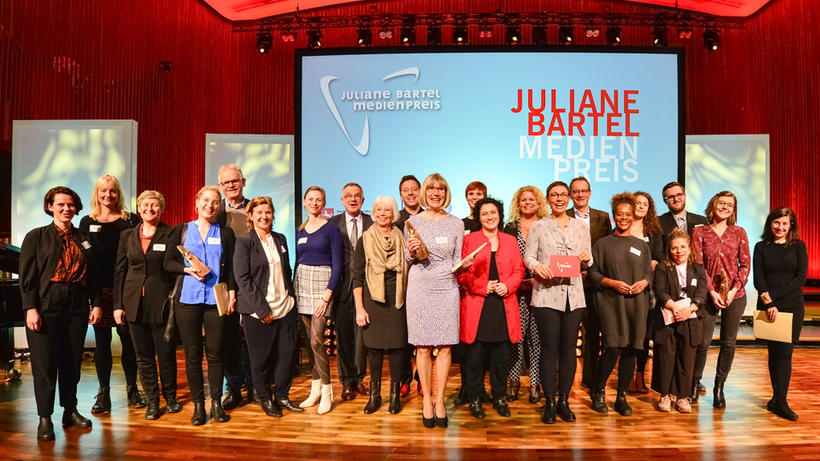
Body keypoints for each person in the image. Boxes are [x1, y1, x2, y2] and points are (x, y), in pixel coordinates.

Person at [20, 186, 100, 441]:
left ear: (76, 208)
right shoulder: (36, 236)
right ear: (50, 207)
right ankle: (45, 418)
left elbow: (93, 275)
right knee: (44, 364)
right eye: (61, 204)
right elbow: (27, 277)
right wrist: (30, 308)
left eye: (71, 205)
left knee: (71, 362)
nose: (67, 209)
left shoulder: (84, 237)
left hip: (76, 304)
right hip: (46, 303)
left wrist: (96, 303)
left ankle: (70, 410)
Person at [164, 185, 237, 425]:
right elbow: (167, 262)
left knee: (216, 353)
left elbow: (232, 267)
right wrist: (187, 269)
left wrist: (233, 292)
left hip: (217, 299)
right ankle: (198, 406)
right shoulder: (181, 230)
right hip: (188, 300)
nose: (210, 205)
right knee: (193, 355)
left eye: (215, 202)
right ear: (196, 202)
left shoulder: (225, 233)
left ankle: (216, 403)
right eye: (206, 200)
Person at [524, 182, 591, 423]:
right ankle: (550, 401)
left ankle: (564, 400)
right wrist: (536, 266)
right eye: (555, 195)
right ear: (548, 199)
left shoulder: (581, 226)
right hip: (546, 296)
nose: (560, 198)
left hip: (574, 297)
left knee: (568, 352)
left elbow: (588, 258)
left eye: (564, 194)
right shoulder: (539, 226)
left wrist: (586, 258)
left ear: (571, 198)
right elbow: (529, 256)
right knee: (549, 350)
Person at [79, 174, 145, 413]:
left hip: (127, 290)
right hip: (99, 291)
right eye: (103, 191)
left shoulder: (131, 220)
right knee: (102, 344)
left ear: (119, 194)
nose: (108, 195)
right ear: (97, 194)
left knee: (129, 343)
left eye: (113, 191)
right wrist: (94, 299)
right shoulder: (87, 222)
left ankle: (132, 390)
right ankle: (103, 393)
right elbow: (88, 263)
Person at [113, 190, 180, 420]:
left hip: (160, 302)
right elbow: (120, 271)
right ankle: (152, 401)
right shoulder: (127, 235)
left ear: (161, 209)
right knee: (143, 357)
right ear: (139, 208)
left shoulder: (170, 233)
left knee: (166, 354)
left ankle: (170, 397)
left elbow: (172, 268)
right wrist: (117, 305)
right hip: (133, 303)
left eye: (155, 206)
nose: (150, 209)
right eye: (145, 205)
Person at [233, 196, 303, 418]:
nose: (264, 216)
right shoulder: (245, 242)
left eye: (268, 212)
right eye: (259, 212)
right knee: (260, 359)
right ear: (251, 216)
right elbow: (243, 279)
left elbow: (287, 270)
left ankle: (282, 396)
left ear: (273, 215)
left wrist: (291, 298)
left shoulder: (281, 239)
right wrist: (262, 309)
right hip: (259, 311)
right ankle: (265, 398)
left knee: (286, 355)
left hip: (285, 307)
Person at [405, 173, 464, 428]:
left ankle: (440, 400)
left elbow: (457, 261)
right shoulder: (412, 221)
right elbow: (409, 261)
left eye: (440, 189)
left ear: (446, 193)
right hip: (420, 288)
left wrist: (464, 265)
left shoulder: (456, 223)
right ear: (424, 193)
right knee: (423, 347)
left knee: (446, 347)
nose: (436, 193)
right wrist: (409, 252)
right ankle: (426, 400)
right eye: (431, 189)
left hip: (447, 288)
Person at [458, 197, 524, 419]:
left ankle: (500, 397)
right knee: (475, 358)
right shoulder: (470, 240)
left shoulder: (510, 240)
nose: (489, 217)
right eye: (484, 213)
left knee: (500, 358)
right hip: (478, 305)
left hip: (503, 306)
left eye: (493, 212)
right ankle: (475, 399)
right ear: (478, 217)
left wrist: (509, 285)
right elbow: (462, 274)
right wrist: (482, 286)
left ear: (500, 214)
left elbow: (519, 270)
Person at [588, 192, 652, 417]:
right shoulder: (602, 244)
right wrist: (612, 283)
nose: (624, 218)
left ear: (633, 216)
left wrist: (644, 282)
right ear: (614, 217)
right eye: (619, 214)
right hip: (610, 303)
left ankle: (622, 395)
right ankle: (598, 391)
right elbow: (593, 274)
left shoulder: (641, 245)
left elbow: (648, 273)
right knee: (613, 347)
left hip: (636, 303)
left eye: (628, 214)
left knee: (631, 349)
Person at [691, 191, 751, 409]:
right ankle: (694, 384)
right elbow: (698, 265)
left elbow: (745, 265)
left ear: (734, 210)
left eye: (730, 205)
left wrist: (734, 290)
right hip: (708, 295)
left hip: (735, 295)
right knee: (703, 342)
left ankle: (719, 387)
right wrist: (711, 292)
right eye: (722, 203)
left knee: (728, 343)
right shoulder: (700, 232)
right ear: (713, 204)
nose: (725, 207)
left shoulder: (739, 232)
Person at [353, 196, 409, 415]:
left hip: (398, 299)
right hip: (373, 300)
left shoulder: (403, 236)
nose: (383, 214)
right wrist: (359, 307)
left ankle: (394, 396)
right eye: (378, 210)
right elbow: (357, 276)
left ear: (394, 213)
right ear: (373, 213)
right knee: (374, 349)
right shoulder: (364, 239)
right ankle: (375, 396)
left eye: (388, 210)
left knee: (397, 347)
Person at [753, 207, 807, 421]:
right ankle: (776, 399)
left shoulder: (798, 246)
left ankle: (781, 400)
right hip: (768, 307)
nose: (780, 227)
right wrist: (768, 302)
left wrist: (773, 297)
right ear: (770, 224)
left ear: (791, 225)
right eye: (777, 223)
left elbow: (800, 278)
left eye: (785, 224)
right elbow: (758, 278)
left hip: (792, 306)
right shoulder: (760, 247)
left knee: (785, 353)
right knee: (774, 352)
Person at [294, 186, 343, 415]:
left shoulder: (331, 229)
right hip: (302, 284)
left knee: (316, 341)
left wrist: (327, 294)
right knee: (309, 343)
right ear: (305, 202)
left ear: (324, 203)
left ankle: (327, 390)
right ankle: (314, 391)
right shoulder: (300, 230)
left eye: (319, 200)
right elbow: (298, 260)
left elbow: (338, 265)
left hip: (322, 287)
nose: (314, 203)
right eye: (311, 199)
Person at [651, 228, 707, 413]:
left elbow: (701, 292)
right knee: (666, 359)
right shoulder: (662, 267)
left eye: (683, 247)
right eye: (675, 248)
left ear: (690, 248)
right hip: (668, 319)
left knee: (687, 360)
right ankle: (665, 396)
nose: (679, 251)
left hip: (690, 321)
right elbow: (659, 291)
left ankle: (683, 398)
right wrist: (675, 308)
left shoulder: (698, 268)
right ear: (669, 249)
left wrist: (690, 309)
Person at [503, 186, 549, 404]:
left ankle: (534, 383)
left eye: (532, 199)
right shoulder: (509, 227)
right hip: (516, 290)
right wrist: (517, 282)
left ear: (539, 202)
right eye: (523, 200)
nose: (528, 203)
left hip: (541, 289)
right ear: (518, 203)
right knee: (516, 337)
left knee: (537, 339)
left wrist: (537, 279)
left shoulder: (547, 226)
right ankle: (513, 381)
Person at [216, 164, 254, 410]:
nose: (231, 185)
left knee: (252, 337)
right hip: (222, 282)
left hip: (251, 281)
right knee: (227, 337)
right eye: (226, 182)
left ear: (243, 181)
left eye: (235, 180)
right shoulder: (214, 210)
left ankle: (254, 384)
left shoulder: (256, 208)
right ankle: (233, 387)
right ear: (220, 186)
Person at [567, 176, 612, 389]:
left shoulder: (603, 218)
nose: (580, 194)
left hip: (594, 284)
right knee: (567, 332)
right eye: (575, 191)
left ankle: (590, 378)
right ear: (570, 195)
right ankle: (563, 379)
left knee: (593, 332)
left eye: (584, 190)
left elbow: (606, 250)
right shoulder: (562, 216)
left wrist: (591, 272)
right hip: (568, 282)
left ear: (590, 193)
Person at [330, 183, 372, 401]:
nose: (353, 199)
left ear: (363, 200)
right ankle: (346, 381)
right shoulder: (332, 224)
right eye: (348, 196)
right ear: (342, 200)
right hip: (342, 289)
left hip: (368, 288)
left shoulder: (373, 223)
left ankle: (359, 378)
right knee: (344, 336)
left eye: (357, 196)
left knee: (362, 337)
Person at [629, 191, 664, 394]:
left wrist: (641, 275)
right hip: (623, 287)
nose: (641, 206)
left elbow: (657, 258)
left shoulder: (653, 232)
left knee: (643, 335)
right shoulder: (620, 228)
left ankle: (640, 376)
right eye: (637, 203)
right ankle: (625, 377)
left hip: (646, 289)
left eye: (645, 204)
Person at [394, 174, 423, 397]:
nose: (411, 193)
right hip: (402, 284)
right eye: (406, 190)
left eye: (414, 189)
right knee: (403, 335)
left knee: (424, 336)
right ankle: (404, 377)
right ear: (401, 194)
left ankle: (421, 379)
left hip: (427, 282)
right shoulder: (395, 220)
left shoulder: (430, 216)